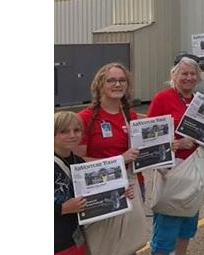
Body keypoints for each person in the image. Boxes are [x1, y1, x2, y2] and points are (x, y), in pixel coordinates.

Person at [145, 57, 204, 255]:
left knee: (187, 226)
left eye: (192, 74)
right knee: (166, 228)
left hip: (196, 169)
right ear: (174, 76)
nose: (189, 78)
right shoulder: (162, 98)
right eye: (184, 73)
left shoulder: (200, 102)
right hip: (172, 171)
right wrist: (175, 144)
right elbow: (146, 138)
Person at [75, 63, 148, 255]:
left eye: (122, 80)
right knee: (103, 247)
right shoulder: (86, 118)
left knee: (129, 245)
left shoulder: (130, 115)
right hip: (100, 190)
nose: (118, 84)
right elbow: (77, 160)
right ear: (100, 85)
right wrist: (118, 160)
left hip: (132, 186)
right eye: (111, 80)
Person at [55, 111, 90, 255]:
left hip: (76, 237)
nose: (72, 135)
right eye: (64, 131)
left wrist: (121, 192)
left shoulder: (79, 162)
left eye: (76, 130)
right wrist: (62, 209)